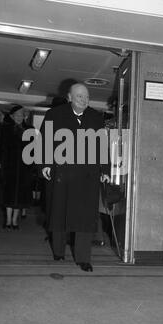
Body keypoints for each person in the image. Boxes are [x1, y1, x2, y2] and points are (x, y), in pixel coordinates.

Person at [40, 83, 110, 272]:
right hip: (63, 172)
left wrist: (105, 169)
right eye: (79, 96)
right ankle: (58, 251)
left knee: (85, 217)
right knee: (59, 211)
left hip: (88, 175)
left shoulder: (96, 117)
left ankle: (83, 258)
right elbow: (45, 140)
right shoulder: (54, 115)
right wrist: (45, 164)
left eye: (86, 97)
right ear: (69, 97)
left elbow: (101, 145)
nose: (84, 100)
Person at [0, 105, 33, 230]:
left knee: (20, 195)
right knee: (9, 193)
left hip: (25, 168)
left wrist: (32, 166)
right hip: (9, 166)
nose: (19, 117)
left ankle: (14, 220)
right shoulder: (5, 129)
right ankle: (8, 220)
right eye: (17, 115)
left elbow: (34, 150)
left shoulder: (30, 129)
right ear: (12, 116)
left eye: (21, 115)